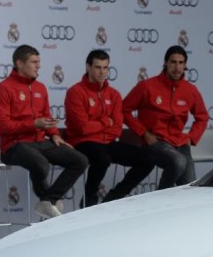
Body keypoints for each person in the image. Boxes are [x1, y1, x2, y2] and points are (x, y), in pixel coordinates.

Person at [0, 45, 88, 220]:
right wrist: (34, 124)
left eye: (39, 62)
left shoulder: (41, 88)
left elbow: (47, 117)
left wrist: (54, 134)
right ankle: (49, 203)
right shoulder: (4, 88)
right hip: (13, 145)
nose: (39, 66)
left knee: (80, 160)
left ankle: (48, 201)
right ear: (19, 63)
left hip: (40, 141)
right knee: (41, 163)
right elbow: (2, 127)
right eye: (34, 62)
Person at [65, 50, 155, 207]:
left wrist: (100, 126)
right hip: (82, 142)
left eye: (105, 68)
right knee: (103, 157)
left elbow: (117, 129)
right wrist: (106, 122)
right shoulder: (75, 92)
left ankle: (114, 198)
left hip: (108, 142)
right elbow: (83, 128)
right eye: (98, 67)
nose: (102, 72)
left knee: (148, 159)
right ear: (88, 67)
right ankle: (89, 200)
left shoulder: (114, 94)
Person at [121, 45, 208, 189]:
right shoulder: (147, 86)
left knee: (190, 188)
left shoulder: (190, 90)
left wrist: (191, 137)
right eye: (173, 62)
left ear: (185, 66)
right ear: (166, 63)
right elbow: (124, 110)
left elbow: (202, 116)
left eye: (181, 63)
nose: (177, 67)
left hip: (179, 142)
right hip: (155, 142)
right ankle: (159, 198)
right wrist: (143, 133)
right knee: (178, 161)